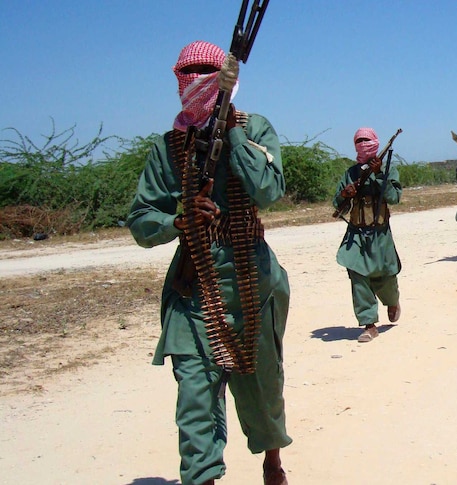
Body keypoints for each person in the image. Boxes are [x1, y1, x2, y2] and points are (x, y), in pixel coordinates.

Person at [127, 40, 291, 485]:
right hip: (194, 288)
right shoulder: (168, 148)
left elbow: (268, 190)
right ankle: (202, 476)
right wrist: (178, 220)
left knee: (262, 387)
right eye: (188, 72)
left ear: (228, 79)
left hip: (253, 281)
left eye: (207, 72)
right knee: (194, 399)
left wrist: (231, 131)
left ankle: (272, 461)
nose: (196, 80)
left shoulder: (255, 128)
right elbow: (141, 220)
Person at [333, 127, 403, 343]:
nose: (363, 144)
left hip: (380, 234)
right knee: (357, 274)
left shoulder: (388, 170)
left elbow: (394, 197)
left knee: (385, 275)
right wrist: (345, 194)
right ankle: (369, 324)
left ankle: (392, 301)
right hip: (356, 234)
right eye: (359, 141)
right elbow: (338, 206)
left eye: (366, 140)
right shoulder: (351, 173)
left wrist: (378, 174)